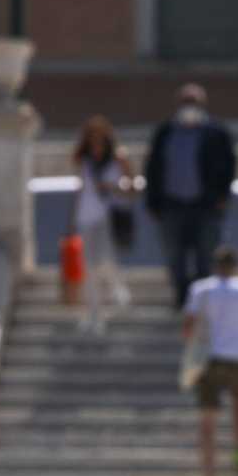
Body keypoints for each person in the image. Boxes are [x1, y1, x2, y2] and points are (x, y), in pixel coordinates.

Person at [182, 245, 238, 476]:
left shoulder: (201, 289)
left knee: (208, 422)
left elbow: (188, 327)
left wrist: (191, 355)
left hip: (208, 359)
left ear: (216, 265)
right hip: (237, 356)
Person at [143, 82, 238, 307]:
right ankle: (181, 295)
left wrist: (223, 195)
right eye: (186, 102)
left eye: (193, 102)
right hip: (172, 205)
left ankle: (203, 299)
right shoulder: (165, 132)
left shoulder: (217, 133)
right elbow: (153, 167)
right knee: (174, 254)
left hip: (205, 205)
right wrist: (152, 201)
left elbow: (229, 165)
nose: (189, 107)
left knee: (206, 254)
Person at [69, 116, 135, 336]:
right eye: (92, 138)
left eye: (100, 138)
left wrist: (112, 186)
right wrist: (73, 218)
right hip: (86, 215)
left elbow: (132, 188)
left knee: (105, 259)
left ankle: (118, 288)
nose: (96, 143)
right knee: (89, 267)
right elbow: (81, 188)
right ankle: (95, 314)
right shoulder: (84, 160)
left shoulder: (119, 158)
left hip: (109, 215)